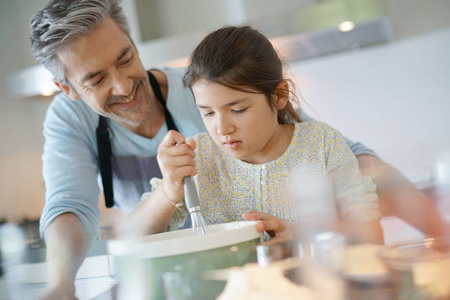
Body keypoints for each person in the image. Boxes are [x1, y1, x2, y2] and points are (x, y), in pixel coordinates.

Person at [29, 0, 448, 299]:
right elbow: (78, 210)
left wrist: (439, 232)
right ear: (67, 90)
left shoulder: (208, 84)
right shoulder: (73, 121)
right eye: (97, 79)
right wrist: (61, 284)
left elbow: (349, 160)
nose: (123, 85)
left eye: (126, 59)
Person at [129, 25, 384, 245]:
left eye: (238, 109)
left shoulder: (321, 144)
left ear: (279, 95)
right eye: (207, 113)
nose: (222, 128)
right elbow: (132, 239)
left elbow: (373, 236)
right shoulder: (200, 159)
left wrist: (300, 235)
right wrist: (169, 188)